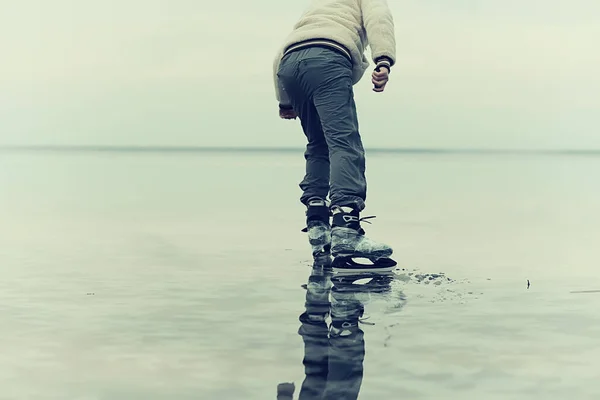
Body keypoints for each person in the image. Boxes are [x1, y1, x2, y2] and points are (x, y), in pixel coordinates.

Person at [273, 0, 397, 269]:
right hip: (328, 59)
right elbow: (379, 18)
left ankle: (318, 224)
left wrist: (283, 100)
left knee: (318, 144)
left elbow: (281, 52)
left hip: (290, 65)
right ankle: (346, 231)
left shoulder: (316, 8)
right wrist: (384, 60)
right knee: (344, 142)